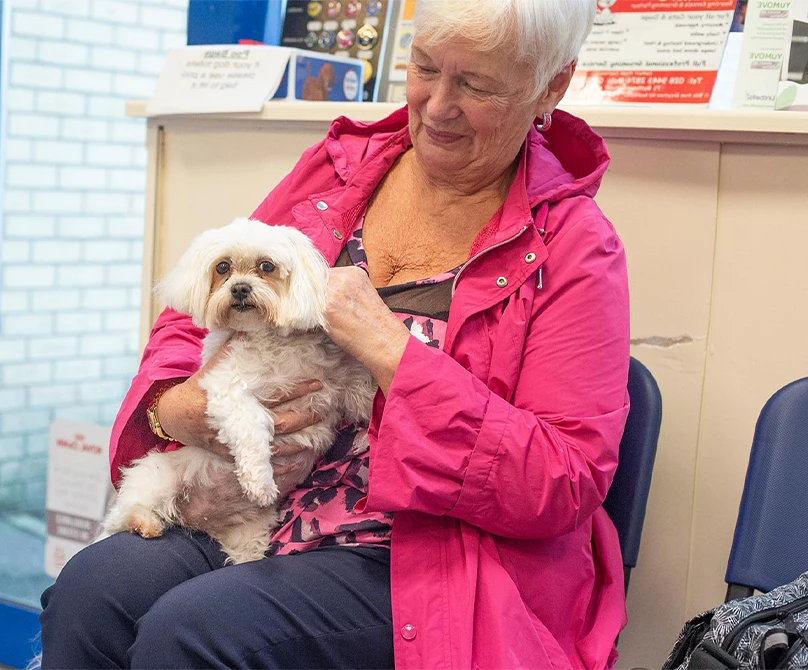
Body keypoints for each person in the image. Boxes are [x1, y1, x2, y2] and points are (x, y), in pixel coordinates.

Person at [39, 0, 630, 666]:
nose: (438, 106)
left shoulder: (575, 249)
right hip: (253, 502)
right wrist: (176, 408)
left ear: (551, 86)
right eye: (425, 68)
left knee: (192, 632)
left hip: (415, 552)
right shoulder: (341, 169)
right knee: (92, 591)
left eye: (476, 85)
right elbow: (197, 312)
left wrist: (393, 353)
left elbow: (563, 481)